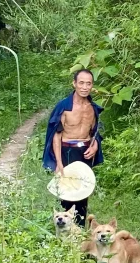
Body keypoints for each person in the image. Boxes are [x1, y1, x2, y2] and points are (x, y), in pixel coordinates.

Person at [42, 69, 104, 224]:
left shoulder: (92, 108)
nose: (84, 87)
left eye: (88, 83)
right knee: (66, 191)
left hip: (85, 151)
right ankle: (64, 229)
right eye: (81, 83)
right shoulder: (64, 107)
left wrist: (95, 145)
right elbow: (56, 135)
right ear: (74, 83)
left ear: (92, 85)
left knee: (83, 190)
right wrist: (58, 162)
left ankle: (80, 229)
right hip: (67, 151)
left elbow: (95, 131)